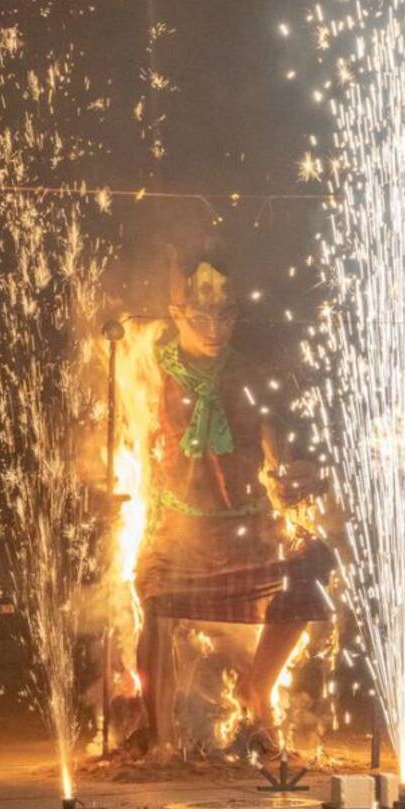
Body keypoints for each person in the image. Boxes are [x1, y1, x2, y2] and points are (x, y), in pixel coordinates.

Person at [134, 240, 332, 754]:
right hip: (180, 535)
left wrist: (290, 473)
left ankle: (258, 689)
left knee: (308, 566)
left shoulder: (250, 374)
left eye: (226, 315)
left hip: (247, 531)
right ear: (178, 313)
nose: (215, 329)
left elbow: (275, 446)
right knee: (155, 600)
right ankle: (159, 738)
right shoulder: (148, 367)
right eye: (201, 315)